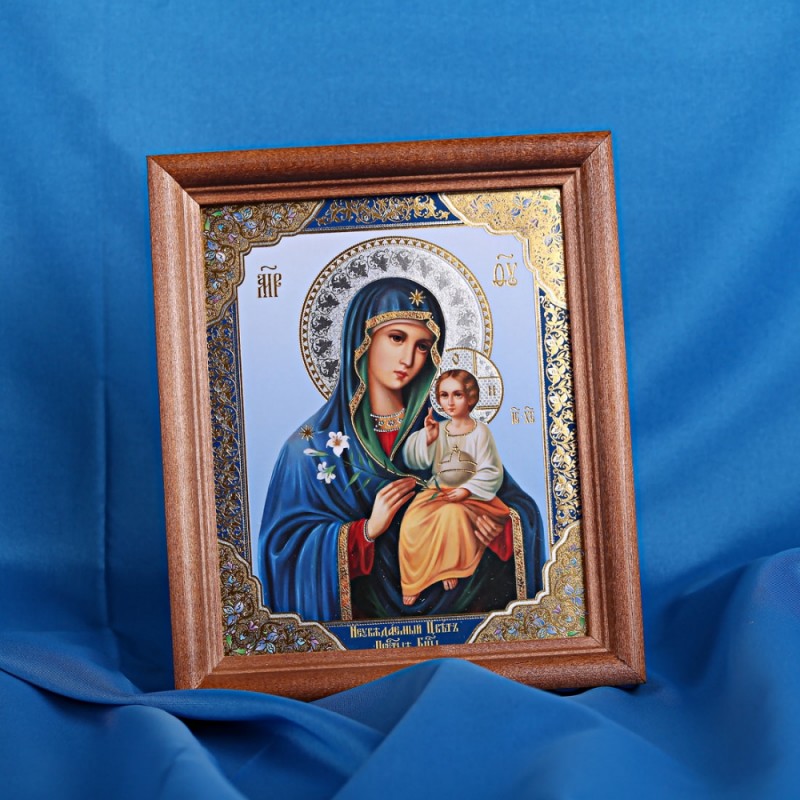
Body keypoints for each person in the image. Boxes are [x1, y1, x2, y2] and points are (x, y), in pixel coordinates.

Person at [258, 277, 547, 622]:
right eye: (396, 338)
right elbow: (283, 550)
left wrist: (499, 530)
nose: (409, 358)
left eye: (423, 346)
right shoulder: (309, 448)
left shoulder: (453, 431)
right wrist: (365, 532)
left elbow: (517, 509)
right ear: (362, 341)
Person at [399, 370, 511, 605]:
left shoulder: (480, 431)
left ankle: (450, 568)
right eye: (444, 395)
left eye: (457, 395)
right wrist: (428, 438)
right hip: (437, 492)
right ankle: (413, 581)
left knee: (453, 514)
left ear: (470, 397)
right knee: (412, 521)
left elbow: (491, 470)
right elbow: (413, 460)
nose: (450, 402)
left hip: (473, 497)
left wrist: (467, 490)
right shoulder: (438, 429)